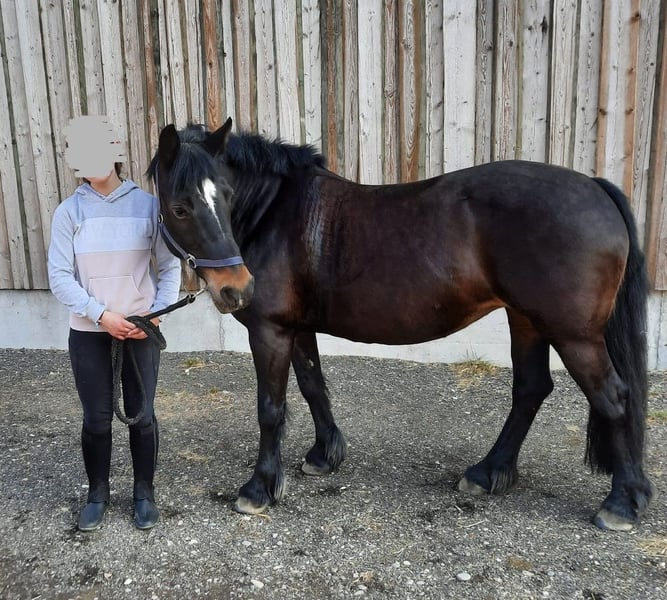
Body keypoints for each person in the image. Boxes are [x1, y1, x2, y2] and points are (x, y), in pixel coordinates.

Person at [48, 116, 181, 531]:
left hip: (141, 331)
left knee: (142, 415)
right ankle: (97, 494)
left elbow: (170, 267)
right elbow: (59, 277)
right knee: (96, 418)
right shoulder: (69, 213)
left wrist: (155, 313)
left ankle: (144, 493)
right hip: (89, 333)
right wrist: (101, 315)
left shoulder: (149, 207)